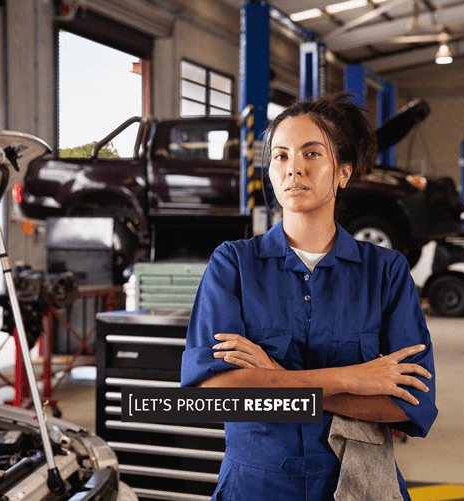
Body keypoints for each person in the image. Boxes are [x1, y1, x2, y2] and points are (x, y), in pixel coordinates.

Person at [180, 92, 438, 500]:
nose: (293, 168)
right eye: (280, 156)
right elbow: (215, 393)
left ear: (343, 173)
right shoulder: (234, 265)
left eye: (311, 153)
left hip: (357, 483)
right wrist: (354, 379)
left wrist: (272, 379)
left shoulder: (386, 272)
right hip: (255, 486)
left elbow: (409, 403)